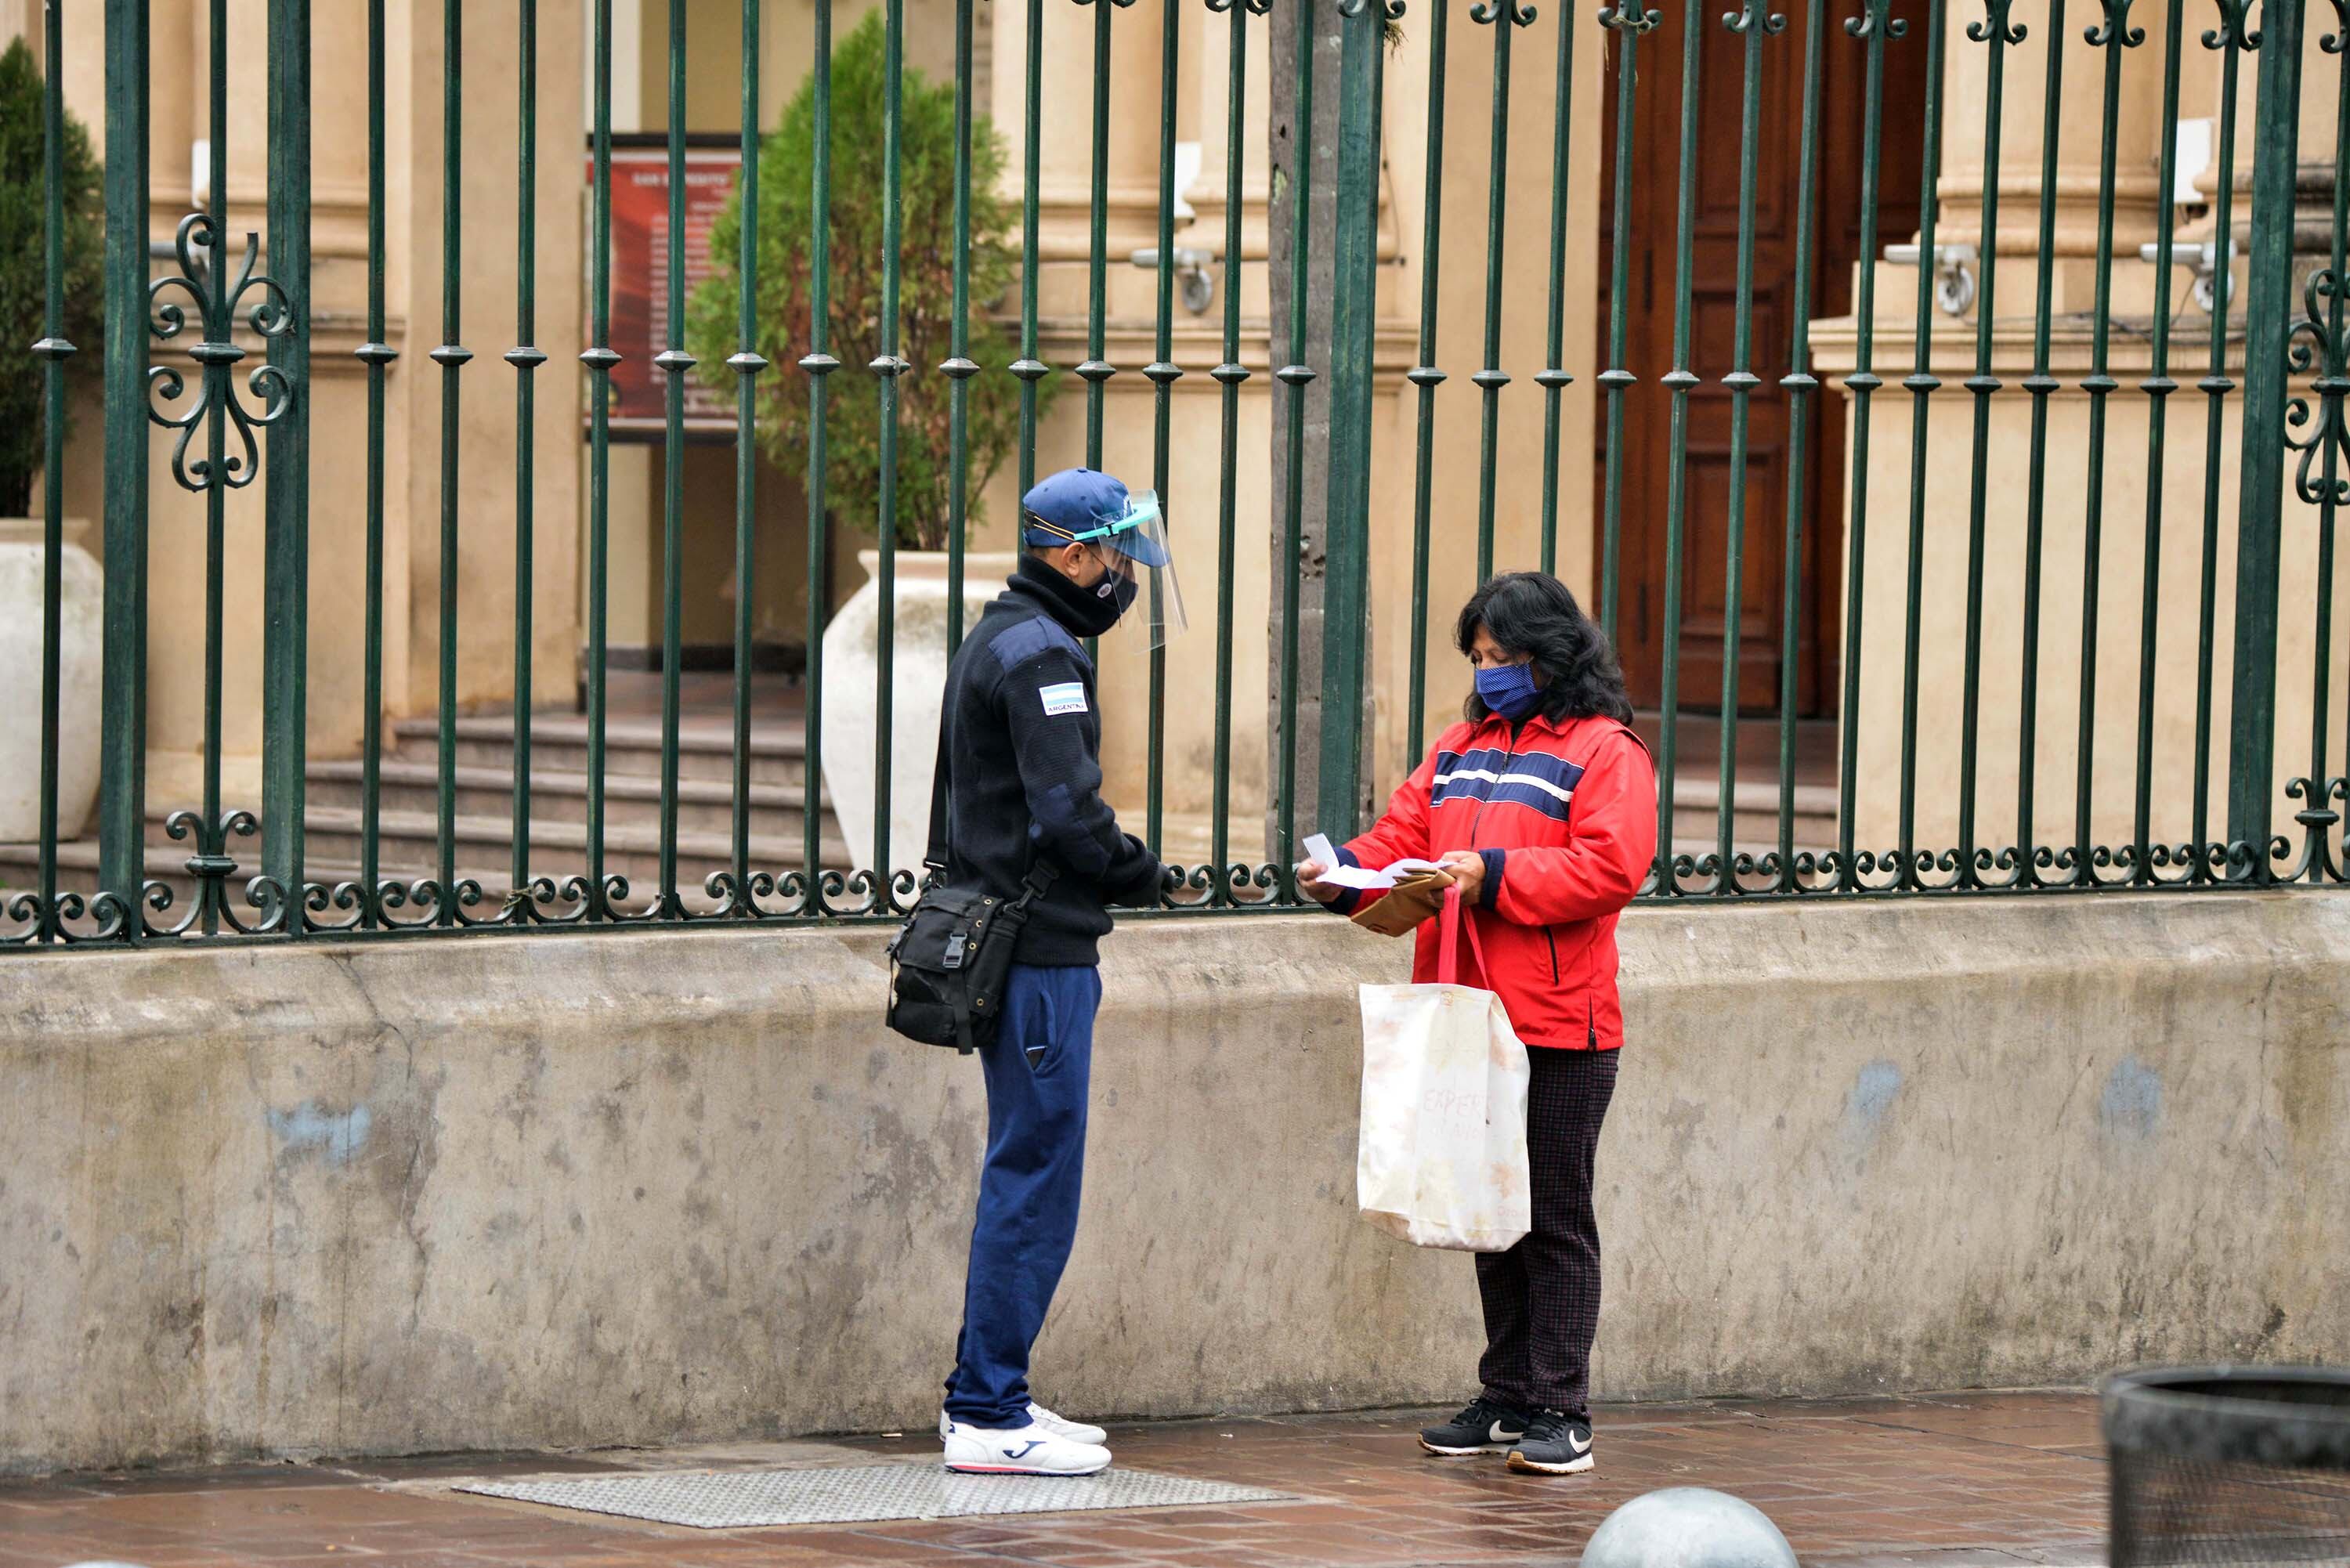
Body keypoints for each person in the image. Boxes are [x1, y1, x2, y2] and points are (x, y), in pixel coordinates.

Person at [1298, 571, 1656, 1477]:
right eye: (1480, 658)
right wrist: (1342, 871)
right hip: (1469, 1011)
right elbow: (1401, 837)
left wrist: (1489, 875)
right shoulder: (1460, 746)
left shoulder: (1607, 752)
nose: (1487, 672)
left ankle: (1561, 1407)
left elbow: (1609, 869)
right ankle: (1504, 1395)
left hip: (1560, 1022)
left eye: (1503, 658)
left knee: (1554, 1215)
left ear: (1550, 658)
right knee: (1489, 1213)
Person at [933, 466, 1182, 1477]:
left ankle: (998, 1396)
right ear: (1071, 554)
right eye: (1115, 556)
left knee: (1029, 1167)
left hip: (1024, 939)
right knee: (1033, 1176)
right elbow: (1067, 813)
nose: (1124, 576)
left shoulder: (1008, 631)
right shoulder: (1044, 656)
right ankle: (988, 1412)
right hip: (1039, 950)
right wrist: (1144, 874)